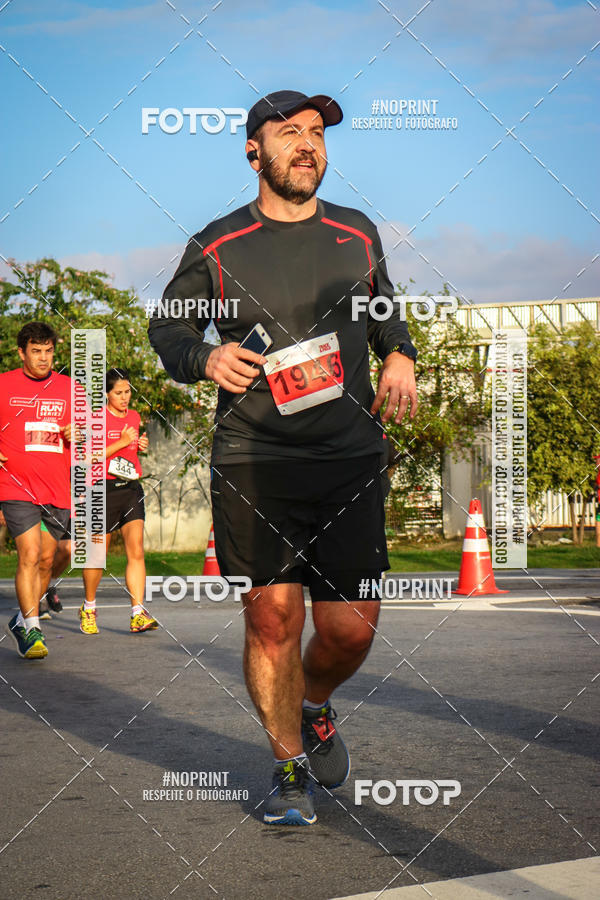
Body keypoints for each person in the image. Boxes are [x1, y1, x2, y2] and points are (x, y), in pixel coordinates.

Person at [149, 90, 418, 825]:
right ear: (253, 153)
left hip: (347, 456)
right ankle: (288, 768)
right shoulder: (218, 244)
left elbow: (384, 310)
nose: (308, 145)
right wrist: (205, 358)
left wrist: (400, 353)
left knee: (350, 628)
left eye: (317, 134)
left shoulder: (357, 234)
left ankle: (313, 703)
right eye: (290, 132)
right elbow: (168, 328)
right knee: (272, 619)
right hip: (255, 460)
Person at [1, 321, 73, 659]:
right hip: (15, 485)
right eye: (36, 351)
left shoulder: (70, 388)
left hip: (57, 488)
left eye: (48, 351)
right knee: (29, 554)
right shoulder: (4, 385)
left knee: (49, 559)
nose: (43, 358)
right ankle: (32, 629)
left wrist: (78, 434)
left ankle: (20, 619)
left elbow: (90, 434)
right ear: (22, 353)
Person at [79, 368, 158, 635]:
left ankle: (138, 613)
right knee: (97, 555)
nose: (125, 397)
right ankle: (89, 607)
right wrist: (122, 442)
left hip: (130, 488)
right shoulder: (96, 419)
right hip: (102, 490)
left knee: (136, 550)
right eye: (118, 393)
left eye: (128, 392)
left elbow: (129, 451)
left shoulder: (134, 417)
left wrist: (139, 445)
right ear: (106, 394)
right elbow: (87, 457)